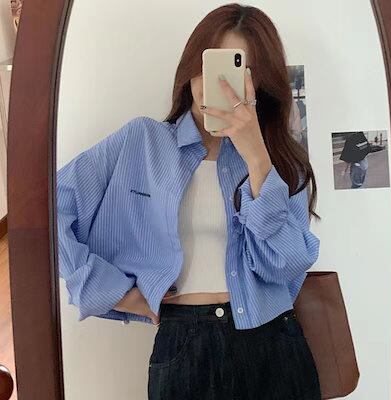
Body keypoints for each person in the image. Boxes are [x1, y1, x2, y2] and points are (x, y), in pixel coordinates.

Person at [57, 3, 321, 399]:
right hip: (183, 345)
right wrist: (113, 292)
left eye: (239, 71)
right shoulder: (142, 142)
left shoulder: (280, 160)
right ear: (192, 66)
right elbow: (49, 211)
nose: (221, 85)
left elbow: (286, 265)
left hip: (274, 345)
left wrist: (256, 158)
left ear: (260, 84)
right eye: (213, 66)